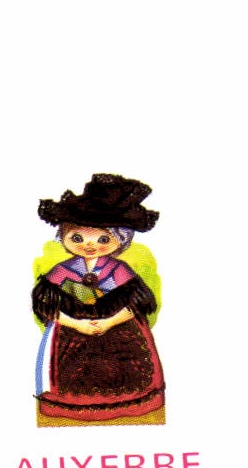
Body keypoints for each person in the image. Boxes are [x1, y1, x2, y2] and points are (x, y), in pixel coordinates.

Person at [31, 173, 165, 425]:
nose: (89, 246)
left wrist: (109, 322)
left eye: (103, 239)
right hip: (72, 333)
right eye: (77, 238)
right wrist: (77, 324)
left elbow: (137, 305)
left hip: (119, 332)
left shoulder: (120, 271)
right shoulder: (61, 272)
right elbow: (47, 307)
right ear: (64, 236)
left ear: (120, 240)